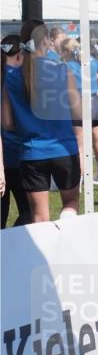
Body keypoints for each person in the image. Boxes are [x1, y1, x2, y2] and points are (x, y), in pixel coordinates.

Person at [1, 21, 81, 223]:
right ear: (46, 40)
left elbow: (7, 123)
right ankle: (66, 227)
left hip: (31, 152)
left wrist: (27, 124)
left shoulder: (12, 77)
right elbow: (78, 112)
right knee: (71, 203)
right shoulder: (63, 71)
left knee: (39, 216)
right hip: (64, 148)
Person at [60, 38, 98, 191]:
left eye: (62, 51)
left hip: (80, 105)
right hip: (95, 104)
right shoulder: (91, 61)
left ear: (66, 51)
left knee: (80, 148)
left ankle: (79, 184)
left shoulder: (67, 66)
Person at [1, 35, 30, 226]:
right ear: (20, 54)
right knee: (30, 213)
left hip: (5, 157)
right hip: (20, 154)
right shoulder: (21, 79)